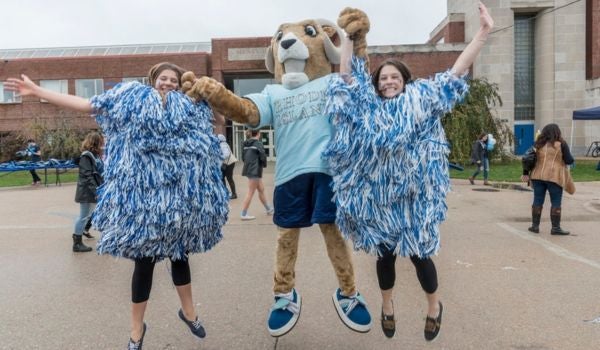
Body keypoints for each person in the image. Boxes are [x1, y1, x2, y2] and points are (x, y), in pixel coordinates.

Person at [3, 62, 228, 349]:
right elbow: (86, 104)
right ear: (152, 80)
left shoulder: (190, 107)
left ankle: (189, 312)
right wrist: (36, 91)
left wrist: (207, 93)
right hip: (142, 205)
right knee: (143, 266)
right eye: (163, 78)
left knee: (180, 257)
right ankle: (137, 330)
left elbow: (219, 120)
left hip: (178, 206)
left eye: (174, 79)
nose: (168, 83)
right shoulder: (130, 102)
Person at [326, 2, 493, 341]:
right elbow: (346, 77)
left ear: (405, 80)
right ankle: (387, 306)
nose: (389, 81)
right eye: (383, 77)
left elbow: (456, 72)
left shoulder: (422, 99)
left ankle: (434, 306)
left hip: (415, 199)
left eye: (395, 77)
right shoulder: (368, 106)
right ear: (377, 83)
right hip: (381, 200)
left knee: (420, 257)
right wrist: (347, 37)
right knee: (384, 256)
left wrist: (482, 33)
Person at [521, 123, 575, 235]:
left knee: (537, 200)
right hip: (554, 176)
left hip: (537, 176)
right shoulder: (561, 144)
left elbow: (527, 158)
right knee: (555, 201)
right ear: (557, 132)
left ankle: (535, 226)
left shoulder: (538, 144)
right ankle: (555, 228)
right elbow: (569, 160)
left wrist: (525, 173)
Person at [72, 131, 104, 252]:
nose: (102, 144)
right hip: (87, 192)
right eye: (100, 142)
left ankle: (80, 238)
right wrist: (97, 191)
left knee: (87, 216)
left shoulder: (94, 155)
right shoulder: (87, 156)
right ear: (95, 142)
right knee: (83, 216)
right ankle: (77, 243)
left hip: (92, 190)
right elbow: (87, 175)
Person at [240, 129, 273, 220]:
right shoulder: (258, 144)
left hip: (249, 169)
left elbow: (243, 157)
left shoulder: (245, 144)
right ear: (258, 134)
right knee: (250, 192)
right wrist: (264, 165)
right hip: (255, 170)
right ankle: (243, 213)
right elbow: (263, 156)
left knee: (261, 189)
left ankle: (269, 209)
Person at [218, 134, 238, 199]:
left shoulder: (222, 145)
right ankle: (225, 192)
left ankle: (234, 194)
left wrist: (220, 157)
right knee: (222, 177)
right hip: (228, 163)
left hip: (229, 163)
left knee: (229, 178)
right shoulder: (224, 143)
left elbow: (226, 154)